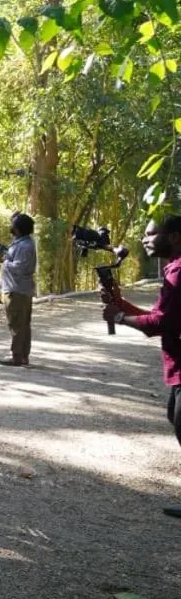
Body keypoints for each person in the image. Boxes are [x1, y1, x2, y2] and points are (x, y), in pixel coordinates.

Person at [102, 217, 181, 517]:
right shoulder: (174, 268)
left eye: (151, 234)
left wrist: (120, 318)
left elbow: (161, 323)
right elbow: (160, 316)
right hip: (177, 369)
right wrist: (121, 305)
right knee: (175, 417)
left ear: (174, 236)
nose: (145, 240)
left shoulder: (178, 272)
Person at [0, 212, 37, 366]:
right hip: (18, 289)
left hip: (16, 290)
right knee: (22, 324)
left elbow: (20, 267)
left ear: (18, 229)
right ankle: (23, 356)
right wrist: (5, 256)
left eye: (13, 224)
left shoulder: (25, 246)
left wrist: (3, 260)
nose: (10, 226)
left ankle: (17, 357)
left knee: (17, 325)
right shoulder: (20, 242)